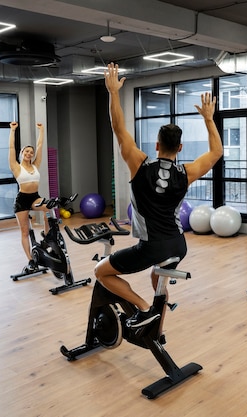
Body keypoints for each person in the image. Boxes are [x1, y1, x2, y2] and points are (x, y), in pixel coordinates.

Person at [95, 62, 223, 329]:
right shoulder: (186, 172)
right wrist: (209, 119)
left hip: (151, 246)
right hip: (178, 245)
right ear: (180, 147)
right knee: (158, 280)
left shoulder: (139, 164)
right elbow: (216, 153)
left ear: (156, 145)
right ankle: (157, 329)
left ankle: (144, 310)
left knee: (101, 271)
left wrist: (114, 93)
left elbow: (118, 129)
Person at [9, 121, 49, 271]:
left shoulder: (35, 165)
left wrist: (41, 131)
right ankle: (31, 260)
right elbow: (11, 148)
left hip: (35, 197)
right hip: (22, 201)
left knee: (49, 208)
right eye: (26, 151)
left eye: (31, 152)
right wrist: (12, 131)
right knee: (25, 231)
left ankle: (46, 234)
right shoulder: (16, 167)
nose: (29, 154)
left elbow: (40, 147)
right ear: (21, 154)